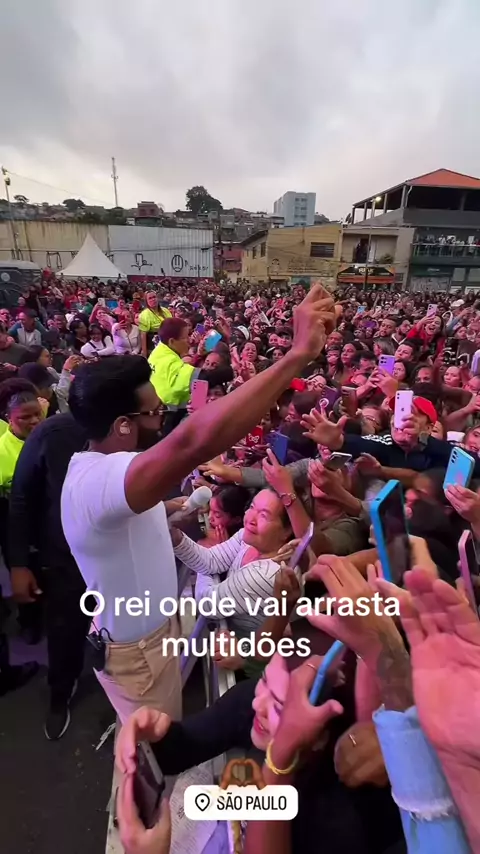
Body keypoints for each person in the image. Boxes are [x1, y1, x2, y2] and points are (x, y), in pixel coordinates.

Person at [60, 286, 336, 721]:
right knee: (154, 751)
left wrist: (174, 511)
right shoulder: (100, 480)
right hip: (140, 654)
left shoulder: (107, 469)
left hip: (150, 637)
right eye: (153, 414)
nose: (161, 422)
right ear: (122, 425)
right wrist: (297, 355)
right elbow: (192, 441)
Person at [9, 413, 90, 739]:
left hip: (120, 557)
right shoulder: (52, 434)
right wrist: (19, 564)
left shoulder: (140, 431)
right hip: (65, 559)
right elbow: (20, 498)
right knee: (65, 628)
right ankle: (61, 693)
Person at [170, 488, 295, 633]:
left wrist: (205, 568)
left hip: (243, 643)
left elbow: (207, 604)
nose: (250, 519)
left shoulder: (266, 575)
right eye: (252, 507)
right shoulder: (248, 538)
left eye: (263, 516)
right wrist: (174, 535)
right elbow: (211, 560)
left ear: (287, 531)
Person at [138, 291, 172, 356]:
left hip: (168, 343)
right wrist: (144, 354)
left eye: (154, 297)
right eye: (150, 298)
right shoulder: (144, 314)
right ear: (146, 301)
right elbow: (143, 335)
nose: (153, 299)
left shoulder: (166, 311)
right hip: (153, 345)